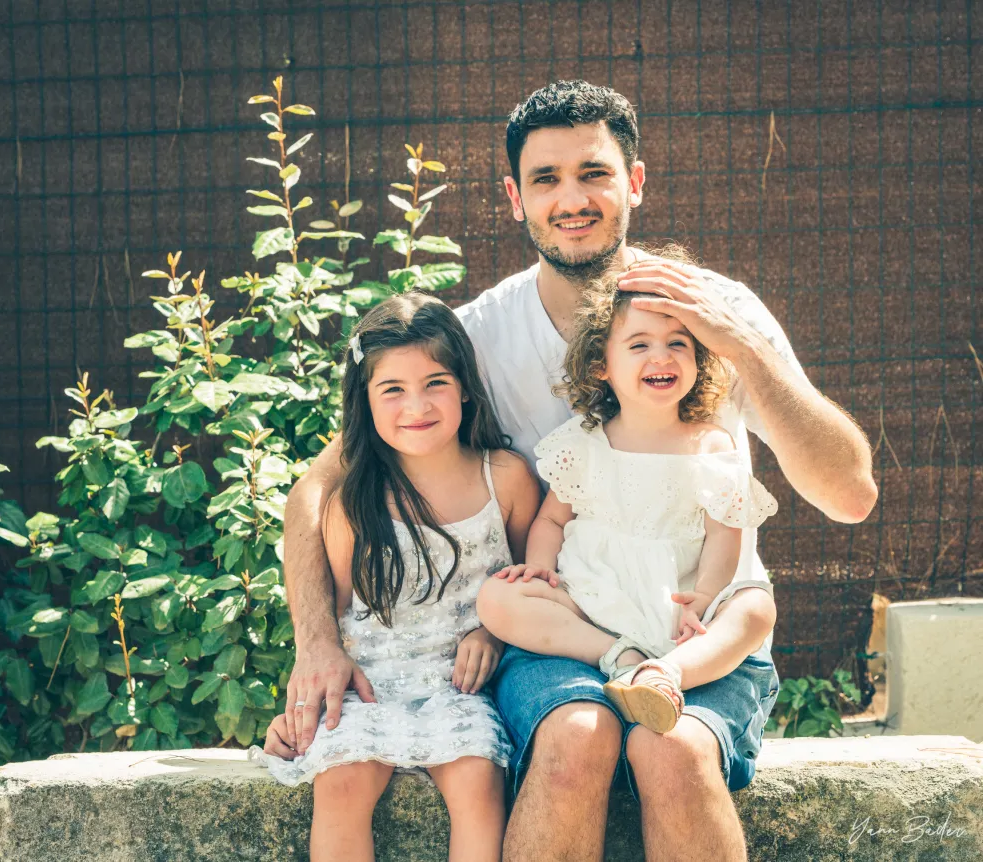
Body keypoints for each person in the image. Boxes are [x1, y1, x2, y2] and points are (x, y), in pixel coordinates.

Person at [280, 80, 878, 862]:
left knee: (674, 751)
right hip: (564, 628)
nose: (572, 199)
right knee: (576, 736)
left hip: (697, 627)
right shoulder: (477, 339)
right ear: (514, 198)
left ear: (635, 182)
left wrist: (743, 348)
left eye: (594, 173)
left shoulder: (709, 314)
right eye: (546, 179)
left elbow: (850, 495)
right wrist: (318, 643)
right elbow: (318, 487)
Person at [250, 293, 540, 862]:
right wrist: (303, 710)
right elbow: (339, 620)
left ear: (465, 386)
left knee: (478, 778)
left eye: (435, 383)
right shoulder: (352, 501)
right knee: (342, 782)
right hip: (369, 688)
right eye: (392, 390)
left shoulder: (505, 479)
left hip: (461, 689)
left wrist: (494, 633)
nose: (417, 405)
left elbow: (533, 582)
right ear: (364, 399)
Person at [476, 267, 780, 736]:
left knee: (756, 608)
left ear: (697, 360)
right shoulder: (582, 442)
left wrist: (704, 596)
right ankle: (621, 657)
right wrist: (539, 568)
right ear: (602, 365)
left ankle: (669, 674)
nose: (662, 356)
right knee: (497, 598)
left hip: (678, 607)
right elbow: (552, 521)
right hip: (590, 603)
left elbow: (725, 534)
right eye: (639, 345)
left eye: (678, 343)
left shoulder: (711, 445)